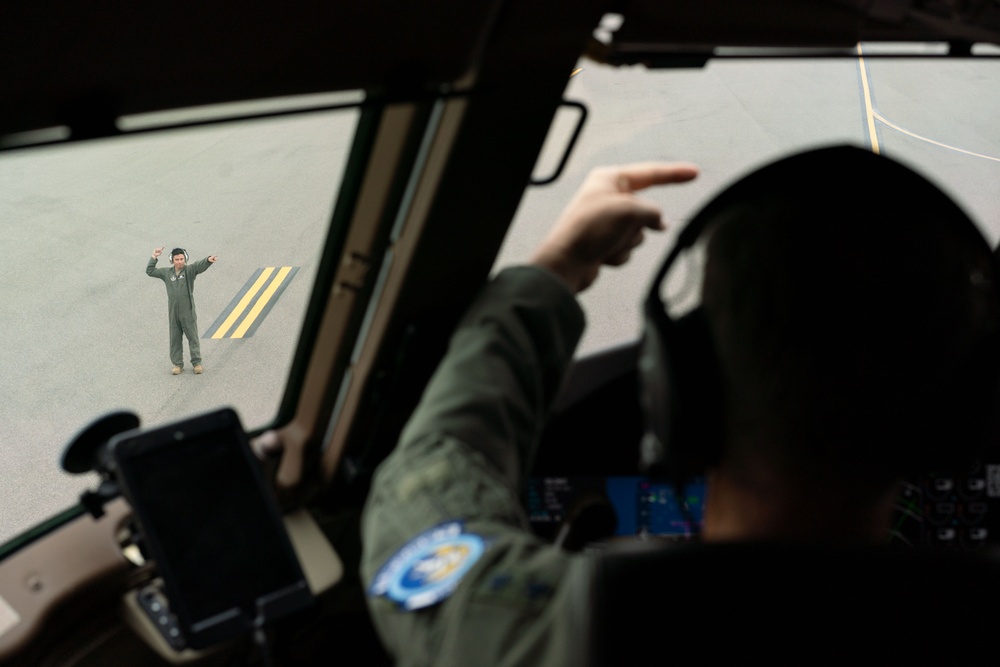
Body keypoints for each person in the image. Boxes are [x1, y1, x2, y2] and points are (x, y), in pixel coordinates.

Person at [358, 147, 999, 664]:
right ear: (966, 409)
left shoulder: (546, 632)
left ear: (676, 391)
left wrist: (556, 269)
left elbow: (423, 497)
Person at [146, 246, 218, 375]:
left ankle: (196, 363)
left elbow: (198, 266)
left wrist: (208, 260)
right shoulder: (166, 273)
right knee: (175, 338)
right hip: (173, 313)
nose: (180, 261)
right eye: (177, 259)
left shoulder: (189, 271)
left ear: (185, 259)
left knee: (193, 337)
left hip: (188, 312)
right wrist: (154, 256)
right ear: (171, 260)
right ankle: (177, 364)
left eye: (182, 259)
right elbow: (150, 271)